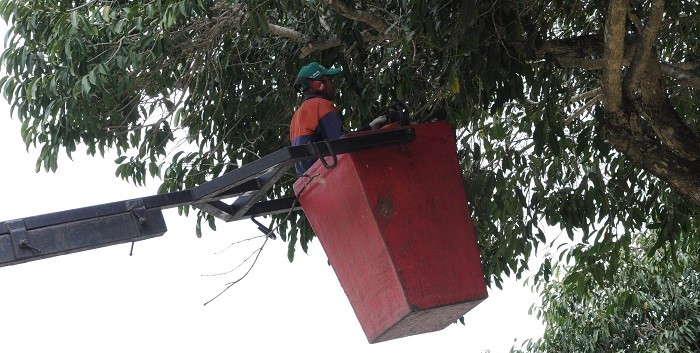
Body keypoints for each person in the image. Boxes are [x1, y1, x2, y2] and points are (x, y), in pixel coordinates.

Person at [289, 62, 386, 176]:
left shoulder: (296, 117)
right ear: (318, 85)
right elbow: (341, 143)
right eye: (329, 80)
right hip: (328, 173)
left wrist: (369, 127)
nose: (333, 84)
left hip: (310, 178)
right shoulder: (321, 105)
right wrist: (372, 134)